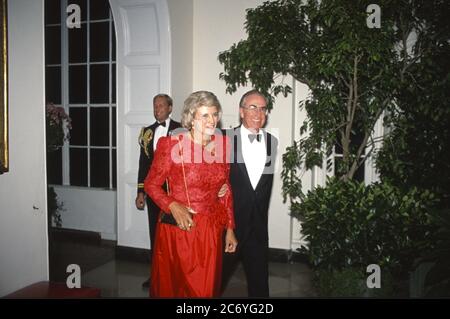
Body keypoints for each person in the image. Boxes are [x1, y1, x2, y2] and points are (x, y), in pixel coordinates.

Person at [144, 91, 238, 297]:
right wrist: (172, 205)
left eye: (214, 114)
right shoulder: (171, 145)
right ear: (190, 117)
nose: (212, 120)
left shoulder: (223, 145)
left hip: (211, 230)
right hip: (181, 229)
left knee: (206, 290)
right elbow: (151, 185)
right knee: (177, 289)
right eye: (204, 115)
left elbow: (226, 187)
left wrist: (230, 228)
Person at [222, 89, 278, 297]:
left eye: (263, 109)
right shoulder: (224, 139)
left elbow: (263, 186)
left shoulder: (272, 142)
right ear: (241, 111)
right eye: (252, 107)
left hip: (258, 227)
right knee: (215, 280)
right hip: (229, 227)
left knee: (259, 283)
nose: (258, 113)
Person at [135, 94, 181, 288]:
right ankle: (156, 276)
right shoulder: (147, 132)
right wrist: (140, 191)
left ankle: (177, 275)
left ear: (170, 108)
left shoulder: (182, 130)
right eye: (155, 106)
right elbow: (143, 164)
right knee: (155, 234)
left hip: (175, 192)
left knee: (175, 235)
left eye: (161, 105)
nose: (157, 109)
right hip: (154, 192)